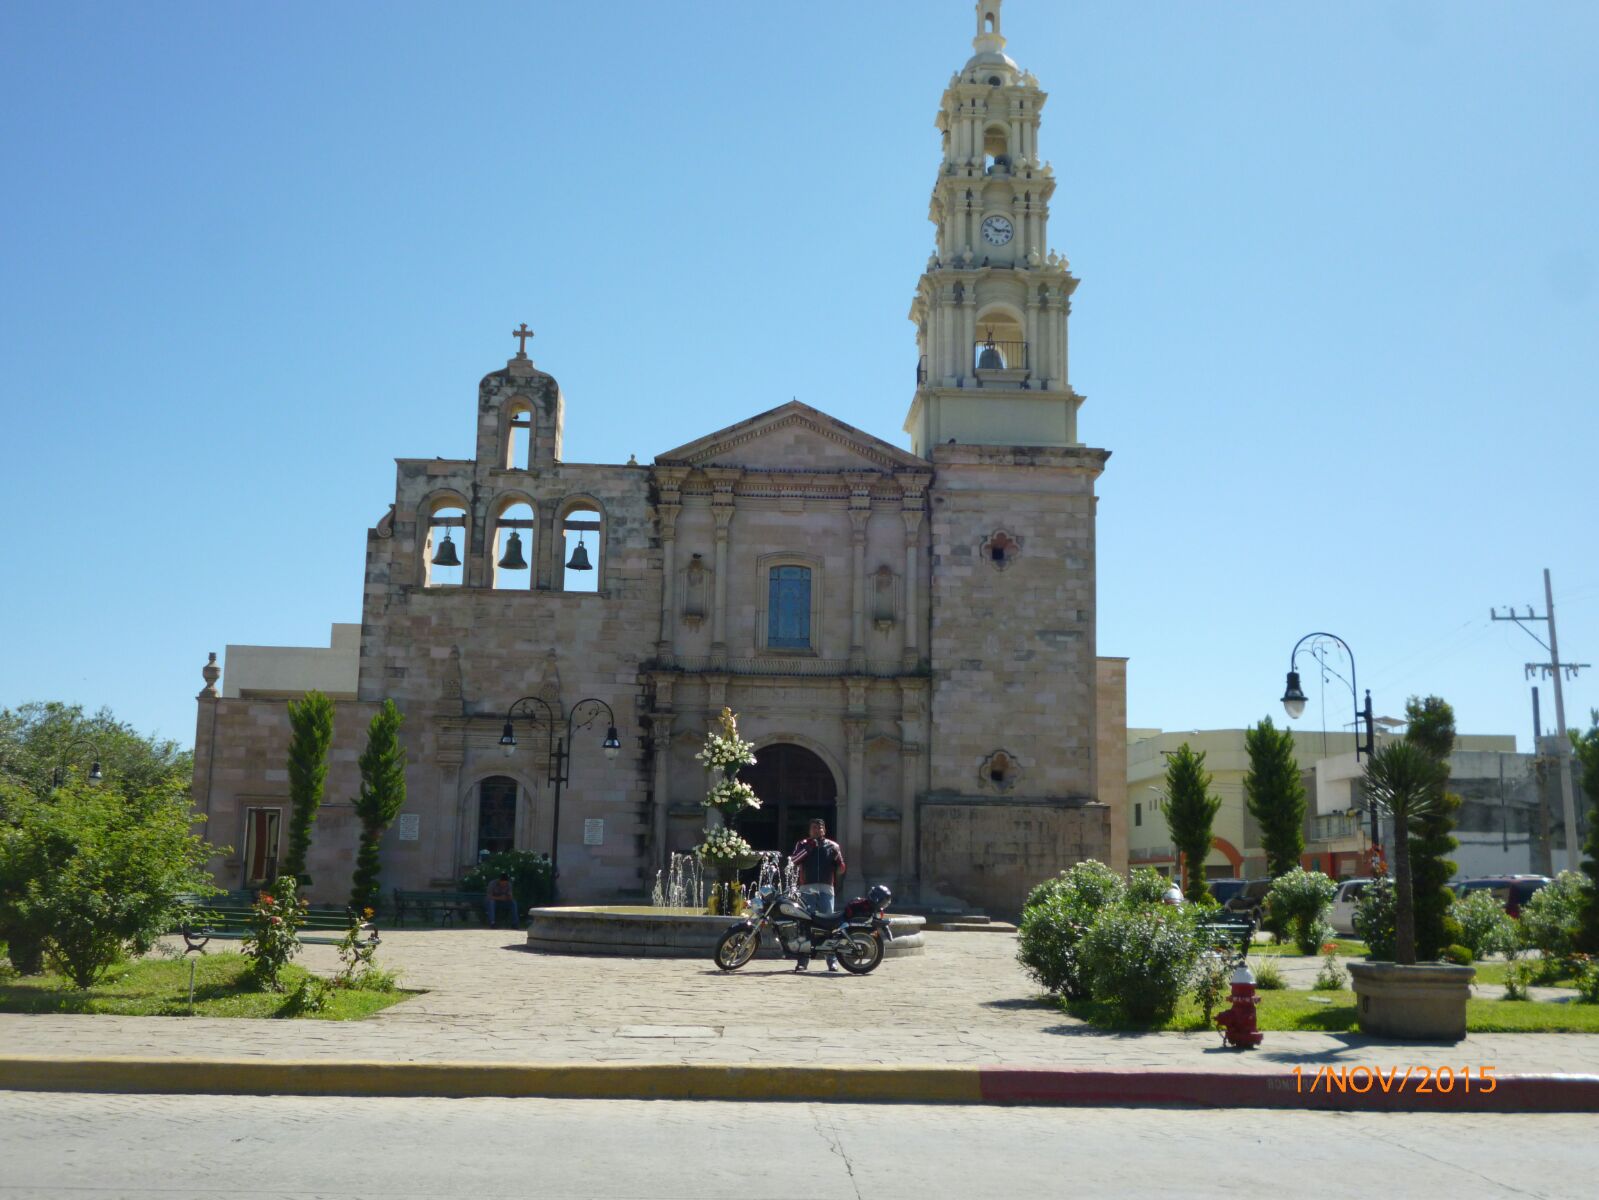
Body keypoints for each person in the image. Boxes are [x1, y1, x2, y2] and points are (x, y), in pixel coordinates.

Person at [790, 818, 846, 972]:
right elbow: (794, 860)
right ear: (810, 830)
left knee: (829, 925)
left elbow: (841, 869)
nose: (817, 830)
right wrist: (809, 848)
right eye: (814, 828)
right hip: (807, 888)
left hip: (826, 889)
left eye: (820, 828)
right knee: (804, 923)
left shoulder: (833, 846)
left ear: (824, 830)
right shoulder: (802, 844)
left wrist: (838, 859)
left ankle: (831, 961)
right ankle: (802, 961)